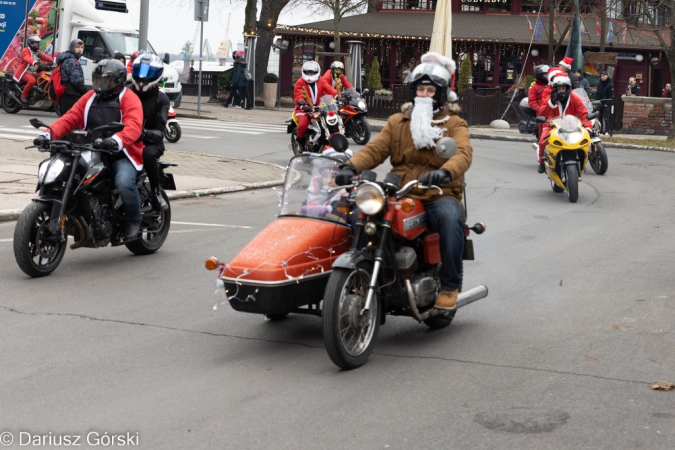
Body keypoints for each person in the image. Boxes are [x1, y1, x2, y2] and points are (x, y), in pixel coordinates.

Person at [336, 52, 471, 311]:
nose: (424, 95)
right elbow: (376, 150)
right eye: (420, 89)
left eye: (430, 90)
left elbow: (462, 153)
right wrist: (350, 166)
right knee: (356, 214)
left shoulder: (454, 124)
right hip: (399, 189)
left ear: (441, 94)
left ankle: (449, 286)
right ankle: (360, 273)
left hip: (437, 191)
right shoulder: (398, 122)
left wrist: (445, 172)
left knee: (450, 219)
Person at [34, 59, 144, 240]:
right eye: (98, 79)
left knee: (124, 182)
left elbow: (134, 125)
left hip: (122, 152)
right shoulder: (90, 96)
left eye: (106, 80)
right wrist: (47, 135)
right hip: (90, 148)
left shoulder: (129, 97)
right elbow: (70, 117)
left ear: (118, 81)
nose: (101, 84)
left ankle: (134, 221)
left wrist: (116, 140)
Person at [129, 53, 170, 212]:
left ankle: (155, 192)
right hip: (126, 140)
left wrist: (143, 134)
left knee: (147, 153)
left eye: (148, 74)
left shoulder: (161, 99)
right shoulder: (127, 92)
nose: (143, 78)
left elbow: (160, 132)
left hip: (150, 143)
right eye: (140, 72)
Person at [536, 75, 590, 173]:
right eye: (559, 89)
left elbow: (584, 113)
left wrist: (588, 127)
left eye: (563, 88)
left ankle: (582, 162)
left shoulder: (574, 98)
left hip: (572, 126)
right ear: (555, 89)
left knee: (583, 142)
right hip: (551, 125)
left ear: (568, 88)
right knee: (542, 141)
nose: (561, 91)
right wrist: (551, 103)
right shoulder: (551, 98)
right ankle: (541, 162)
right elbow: (541, 113)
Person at [293, 60, 337, 152]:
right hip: (303, 109)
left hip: (318, 108)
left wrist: (337, 95)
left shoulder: (321, 80)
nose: (310, 74)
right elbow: (298, 94)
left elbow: (329, 89)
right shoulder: (300, 82)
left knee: (329, 121)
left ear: (316, 72)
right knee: (303, 123)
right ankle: (300, 141)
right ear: (304, 72)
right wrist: (302, 102)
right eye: (308, 72)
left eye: (312, 72)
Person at [14, 35, 54, 105]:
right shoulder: (25, 50)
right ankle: (23, 96)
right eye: (35, 43)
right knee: (32, 81)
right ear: (30, 43)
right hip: (25, 72)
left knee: (43, 77)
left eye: (38, 43)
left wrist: (54, 61)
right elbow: (27, 58)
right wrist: (35, 62)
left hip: (33, 72)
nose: (37, 44)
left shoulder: (37, 51)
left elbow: (45, 57)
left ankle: (35, 94)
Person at [55, 39, 88, 114]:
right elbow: (76, 81)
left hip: (67, 93)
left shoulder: (69, 58)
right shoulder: (72, 61)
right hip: (71, 95)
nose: (80, 49)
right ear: (73, 47)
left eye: (82, 47)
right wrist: (85, 91)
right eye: (77, 47)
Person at [596, 71, 614, 135]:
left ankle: (607, 131)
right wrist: (596, 103)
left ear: (607, 76)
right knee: (599, 117)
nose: (602, 77)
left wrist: (608, 103)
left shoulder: (610, 85)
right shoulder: (599, 84)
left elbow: (611, 95)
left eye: (603, 75)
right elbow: (597, 93)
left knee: (606, 117)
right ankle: (600, 131)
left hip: (606, 103)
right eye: (601, 76)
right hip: (600, 102)